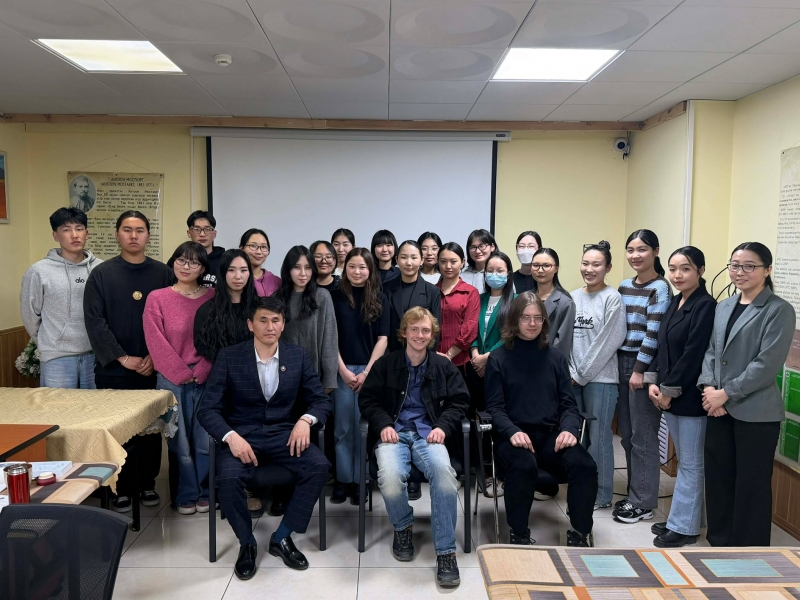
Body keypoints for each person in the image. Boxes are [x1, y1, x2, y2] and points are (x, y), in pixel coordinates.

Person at [197, 296, 332, 580]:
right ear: (250, 324)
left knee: (319, 466)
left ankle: (281, 537)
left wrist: (305, 421)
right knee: (228, 478)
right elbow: (207, 409)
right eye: (263, 320)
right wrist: (230, 436)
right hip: (242, 435)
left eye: (276, 321)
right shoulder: (230, 357)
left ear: (283, 325)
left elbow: (320, 400)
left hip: (284, 434)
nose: (270, 327)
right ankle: (246, 542)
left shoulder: (297, 355)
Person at [359, 307, 468, 588]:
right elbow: (368, 400)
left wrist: (442, 426)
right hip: (393, 433)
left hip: (429, 435)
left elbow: (460, 402)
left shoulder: (443, 366)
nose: (420, 335)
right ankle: (403, 526)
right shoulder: (386, 364)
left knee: (444, 476)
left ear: (432, 335)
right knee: (390, 477)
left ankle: (446, 553)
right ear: (404, 332)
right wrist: (383, 423)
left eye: (426, 330)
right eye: (414, 329)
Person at [699, 242, 795, 547]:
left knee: (752, 486)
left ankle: (749, 550)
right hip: (717, 408)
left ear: (767, 270)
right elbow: (712, 352)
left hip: (756, 413)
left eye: (749, 266)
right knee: (718, 478)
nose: (740, 272)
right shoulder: (724, 306)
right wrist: (709, 389)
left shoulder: (779, 310)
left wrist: (725, 394)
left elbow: (766, 365)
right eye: (735, 265)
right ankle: (719, 542)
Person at [485, 292, 597, 547]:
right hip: (512, 438)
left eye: (538, 318)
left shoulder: (556, 358)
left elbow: (569, 405)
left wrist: (569, 429)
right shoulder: (498, 358)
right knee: (524, 465)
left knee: (584, 465)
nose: (532, 323)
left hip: (550, 436)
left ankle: (580, 533)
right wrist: (512, 431)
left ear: (545, 322)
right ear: (514, 320)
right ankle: (519, 534)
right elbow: (494, 408)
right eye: (526, 317)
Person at [83, 210, 174, 513]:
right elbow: (95, 322)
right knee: (117, 431)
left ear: (148, 235)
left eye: (140, 230)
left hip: (152, 367)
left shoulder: (163, 273)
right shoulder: (102, 274)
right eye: (127, 229)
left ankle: (147, 483)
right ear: (117, 234)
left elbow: (171, 320)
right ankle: (119, 487)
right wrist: (122, 357)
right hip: (114, 369)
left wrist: (154, 357)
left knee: (150, 429)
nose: (133, 236)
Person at [644, 246, 715, 547]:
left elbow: (692, 354)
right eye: (673, 269)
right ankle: (689, 518)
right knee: (688, 462)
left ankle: (684, 528)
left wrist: (668, 391)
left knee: (690, 465)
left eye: (685, 268)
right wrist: (653, 381)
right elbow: (663, 345)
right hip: (669, 394)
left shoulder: (705, 305)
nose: (677, 275)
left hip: (689, 398)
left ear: (700, 270)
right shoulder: (676, 301)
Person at [144, 241, 215, 515]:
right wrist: (180, 373)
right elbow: (155, 340)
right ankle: (186, 494)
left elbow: (219, 337)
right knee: (179, 441)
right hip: (171, 381)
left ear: (203, 268)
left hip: (206, 378)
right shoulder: (157, 298)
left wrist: (203, 369)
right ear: (173, 262)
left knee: (205, 439)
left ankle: (206, 492)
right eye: (181, 260)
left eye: (194, 262)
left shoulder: (213, 297)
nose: (186, 266)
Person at [614, 229, 672, 524]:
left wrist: (638, 371)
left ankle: (644, 502)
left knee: (644, 436)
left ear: (655, 251)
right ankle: (635, 494)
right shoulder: (624, 286)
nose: (635, 255)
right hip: (620, 361)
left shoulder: (660, 288)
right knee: (628, 436)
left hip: (643, 366)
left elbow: (653, 334)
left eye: (642, 249)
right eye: (631, 250)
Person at [569, 241, 627, 510]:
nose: (589, 269)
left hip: (601, 380)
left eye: (596, 264)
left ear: (608, 268)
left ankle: (601, 494)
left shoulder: (612, 298)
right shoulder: (573, 297)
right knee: (576, 437)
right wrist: (572, 372)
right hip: (573, 378)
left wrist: (582, 373)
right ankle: (581, 488)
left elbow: (609, 341)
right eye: (585, 263)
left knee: (599, 438)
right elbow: (565, 339)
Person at [329, 248, 389, 504]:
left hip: (370, 371)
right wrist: (342, 370)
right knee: (343, 428)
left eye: (362, 267)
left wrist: (366, 372)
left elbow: (383, 339)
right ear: (345, 268)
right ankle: (344, 479)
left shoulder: (380, 298)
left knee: (364, 429)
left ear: (370, 270)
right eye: (352, 266)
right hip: (340, 370)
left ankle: (361, 480)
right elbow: (329, 338)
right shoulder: (334, 297)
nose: (357, 271)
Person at [20, 207, 102, 389]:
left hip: (95, 356)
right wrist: (49, 342)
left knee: (95, 406)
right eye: (66, 230)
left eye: (79, 229)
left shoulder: (100, 269)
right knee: (58, 406)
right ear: (55, 235)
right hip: (56, 358)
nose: (74, 235)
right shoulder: (39, 271)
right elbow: (30, 315)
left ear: (87, 233)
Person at [468, 251, 515, 498]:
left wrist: (487, 357)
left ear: (508, 274)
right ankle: (484, 472)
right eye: (490, 271)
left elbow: (512, 335)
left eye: (500, 271)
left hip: (501, 369)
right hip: (476, 369)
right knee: (479, 422)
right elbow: (471, 330)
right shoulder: (479, 298)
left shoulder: (516, 301)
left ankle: (503, 474)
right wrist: (476, 353)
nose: (494, 275)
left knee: (499, 422)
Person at [275, 245, 339, 391]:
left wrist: (329, 380)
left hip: (314, 379)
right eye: (297, 267)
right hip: (283, 379)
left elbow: (329, 340)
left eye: (308, 267)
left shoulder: (322, 296)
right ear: (288, 269)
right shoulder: (277, 299)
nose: (303, 273)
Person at [194, 249, 258, 364]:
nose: (238, 276)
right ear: (222, 273)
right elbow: (201, 345)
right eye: (231, 270)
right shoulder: (207, 310)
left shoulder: (260, 308)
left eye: (243, 270)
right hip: (222, 369)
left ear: (250, 273)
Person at [383, 240, 442, 353]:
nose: (409, 263)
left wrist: (426, 358)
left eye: (414, 257)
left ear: (421, 260)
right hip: (391, 355)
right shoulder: (386, 289)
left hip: (422, 355)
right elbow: (382, 330)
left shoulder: (432, 291)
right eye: (404, 257)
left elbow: (435, 331)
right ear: (397, 260)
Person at [436, 242, 479, 378]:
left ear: (462, 262)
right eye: (443, 261)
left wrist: (449, 355)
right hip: (432, 360)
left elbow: (470, 327)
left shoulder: (470, 292)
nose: (448, 266)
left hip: (460, 362)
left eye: (453, 261)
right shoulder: (431, 291)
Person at [531, 248, 575, 357]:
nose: (540, 270)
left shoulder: (565, 303)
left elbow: (562, 344)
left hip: (548, 362)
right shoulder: (524, 298)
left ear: (556, 268)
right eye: (536, 265)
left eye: (546, 266)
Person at [185, 210, 225, 288]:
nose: (202, 234)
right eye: (197, 229)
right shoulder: (180, 260)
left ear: (214, 234)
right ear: (189, 233)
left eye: (207, 229)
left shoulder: (225, 260)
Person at [240, 228, 280, 297]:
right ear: (241, 249)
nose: (259, 252)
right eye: (253, 246)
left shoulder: (277, 282)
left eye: (263, 247)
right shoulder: (236, 280)